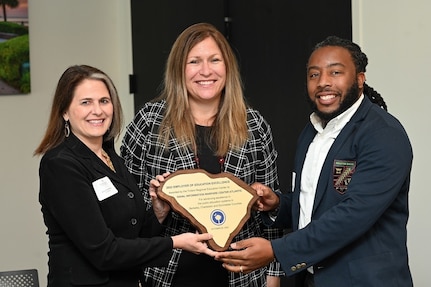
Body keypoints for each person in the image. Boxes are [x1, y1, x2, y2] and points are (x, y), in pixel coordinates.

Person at [214, 35, 414, 287]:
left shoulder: (383, 134)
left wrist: (276, 250)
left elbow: (352, 215)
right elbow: (314, 202)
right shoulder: (312, 131)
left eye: (336, 72)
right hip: (310, 280)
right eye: (314, 75)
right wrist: (278, 204)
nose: (323, 83)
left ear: (360, 79)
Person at [120, 22, 285, 287]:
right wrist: (159, 209)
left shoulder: (254, 125)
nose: (205, 71)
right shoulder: (149, 123)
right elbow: (125, 213)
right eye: (194, 61)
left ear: (227, 67)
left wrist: (274, 277)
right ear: (178, 70)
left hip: (242, 276)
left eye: (214, 60)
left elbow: (271, 214)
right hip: (166, 276)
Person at [34, 64, 215, 287]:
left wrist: (158, 212)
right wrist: (174, 243)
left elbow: (130, 235)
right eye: (85, 102)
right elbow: (104, 251)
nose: (98, 111)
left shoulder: (111, 157)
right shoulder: (60, 165)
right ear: (64, 111)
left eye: (104, 101)